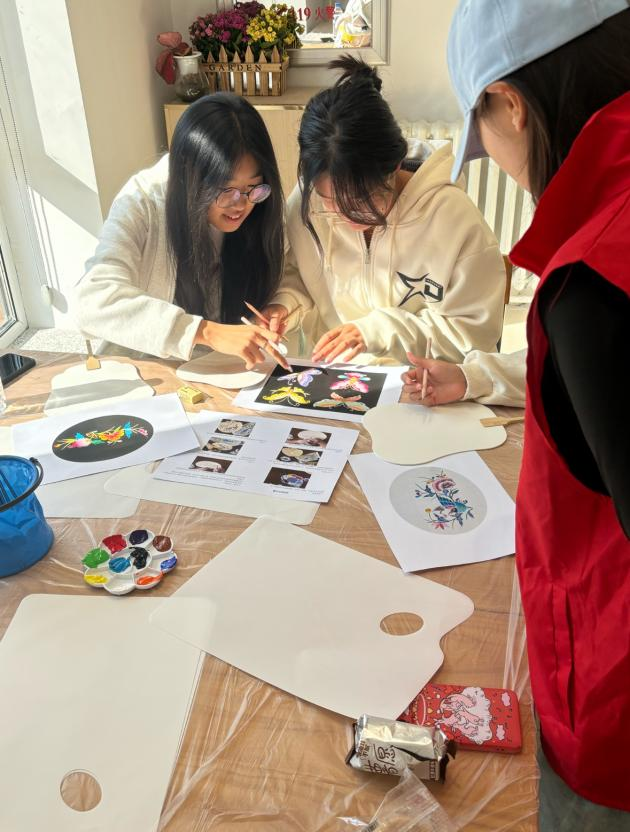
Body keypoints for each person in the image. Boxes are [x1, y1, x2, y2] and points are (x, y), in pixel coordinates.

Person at [407, 0, 630, 814]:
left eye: (488, 138)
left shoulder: (594, 281)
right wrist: (474, 378)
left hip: (612, 709)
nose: (501, 164)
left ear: (511, 104)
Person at [263, 56, 507, 365]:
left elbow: (473, 337)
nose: (344, 215)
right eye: (328, 199)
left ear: (394, 166)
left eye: (360, 201)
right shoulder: (305, 203)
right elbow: (298, 273)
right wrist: (284, 305)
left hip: (422, 383)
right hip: (336, 377)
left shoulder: (453, 219)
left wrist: (375, 331)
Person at [75, 93, 289, 370]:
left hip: (225, 369)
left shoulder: (261, 203)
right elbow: (91, 301)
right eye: (225, 188)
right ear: (189, 178)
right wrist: (204, 332)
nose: (241, 204)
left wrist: (278, 305)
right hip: (146, 367)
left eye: (253, 187)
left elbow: (288, 266)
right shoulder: (142, 202)